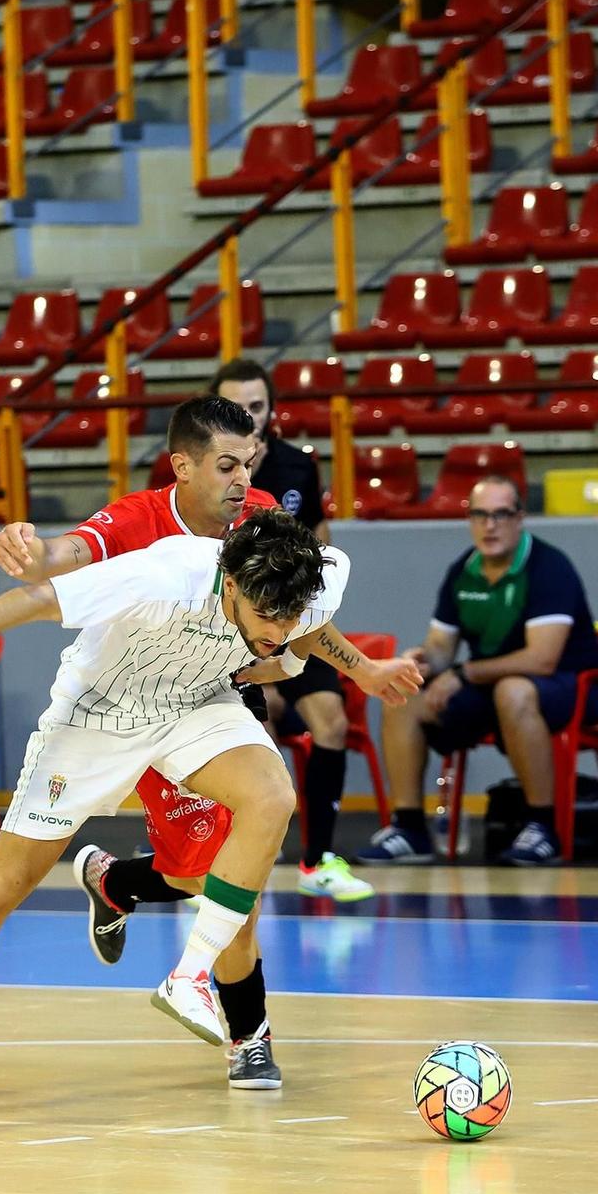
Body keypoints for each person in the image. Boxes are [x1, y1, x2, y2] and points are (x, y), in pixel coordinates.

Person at [0, 508, 381, 1117]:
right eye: (270, 617)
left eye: (291, 615)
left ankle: (189, 976)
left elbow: (309, 627)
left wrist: (362, 669)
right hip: (98, 716)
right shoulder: (164, 574)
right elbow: (39, 599)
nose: (283, 627)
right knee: (6, 881)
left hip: (195, 706)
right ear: (231, 586)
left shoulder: (311, 579)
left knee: (272, 797)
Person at [0, 396, 415, 1091]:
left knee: (223, 870)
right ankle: (245, 1031)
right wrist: (32, 552)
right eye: (229, 462)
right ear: (187, 463)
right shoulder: (139, 519)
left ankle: (122, 885)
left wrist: (362, 668)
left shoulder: (262, 517)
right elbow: (68, 552)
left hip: (219, 698)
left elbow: (300, 607)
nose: (242, 476)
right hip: (143, 702)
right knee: (218, 878)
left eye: (248, 461)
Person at [361, 475, 598, 868]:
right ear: (469, 519)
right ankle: (409, 828)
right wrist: (423, 661)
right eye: (480, 515)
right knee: (402, 693)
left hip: (570, 685)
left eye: (500, 515)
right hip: (490, 686)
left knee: (514, 690)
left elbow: (541, 659)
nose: (490, 526)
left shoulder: (549, 567)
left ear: (519, 517)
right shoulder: (464, 569)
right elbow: (442, 646)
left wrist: (461, 674)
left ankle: (542, 827)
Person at [209, 358, 372, 902]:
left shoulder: (300, 468)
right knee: (251, 728)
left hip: (292, 628)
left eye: (256, 406)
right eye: (236, 408)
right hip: (222, 640)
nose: (248, 418)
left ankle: (318, 858)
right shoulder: (203, 478)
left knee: (330, 718)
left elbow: (322, 564)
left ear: (272, 409)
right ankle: (225, 856)